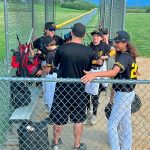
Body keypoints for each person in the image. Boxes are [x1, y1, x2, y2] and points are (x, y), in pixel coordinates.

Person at [81, 30, 138, 150]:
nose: (115, 44)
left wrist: (94, 75)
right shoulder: (129, 55)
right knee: (125, 124)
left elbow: (113, 72)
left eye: (118, 42)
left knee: (112, 124)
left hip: (123, 95)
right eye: (115, 42)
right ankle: (126, 148)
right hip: (127, 93)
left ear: (125, 43)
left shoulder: (124, 56)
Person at [49, 23, 93, 150]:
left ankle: (56, 143)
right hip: (78, 89)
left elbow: (55, 64)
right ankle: (77, 146)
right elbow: (87, 70)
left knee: (58, 118)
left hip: (62, 89)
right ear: (84, 35)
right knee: (78, 119)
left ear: (72, 33)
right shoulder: (88, 51)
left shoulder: (62, 48)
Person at [84, 29, 111, 125]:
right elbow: (86, 61)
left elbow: (111, 52)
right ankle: (88, 111)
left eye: (97, 36)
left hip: (98, 72)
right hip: (89, 71)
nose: (95, 38)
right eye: (94, 36)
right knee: (86, 93)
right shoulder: (88, 47)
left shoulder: (104, 46)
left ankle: (94, 115)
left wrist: (106, 57)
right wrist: (96, 61)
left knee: (95, 94)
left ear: (101, 37)